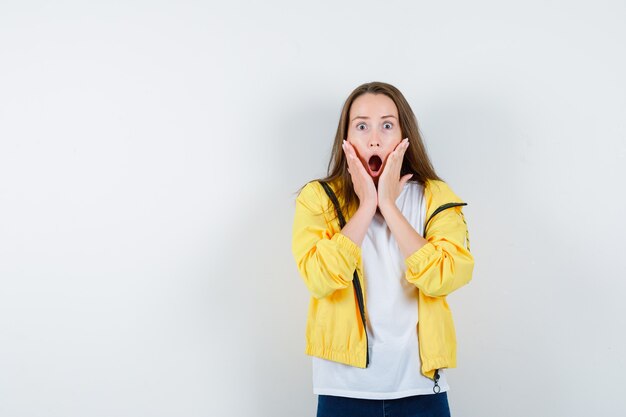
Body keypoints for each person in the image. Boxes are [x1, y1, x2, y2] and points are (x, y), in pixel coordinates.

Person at [291, 81, 474, 417]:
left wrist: (389, 206)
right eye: (362, 126)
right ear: (346, 139)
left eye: (387, 125)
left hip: (422, 388)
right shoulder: (318, 198)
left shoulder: (435, 196)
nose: (374, 138)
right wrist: (365, 208)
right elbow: (320, 278)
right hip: (342, 390)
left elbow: (444, 277)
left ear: (405, 136)